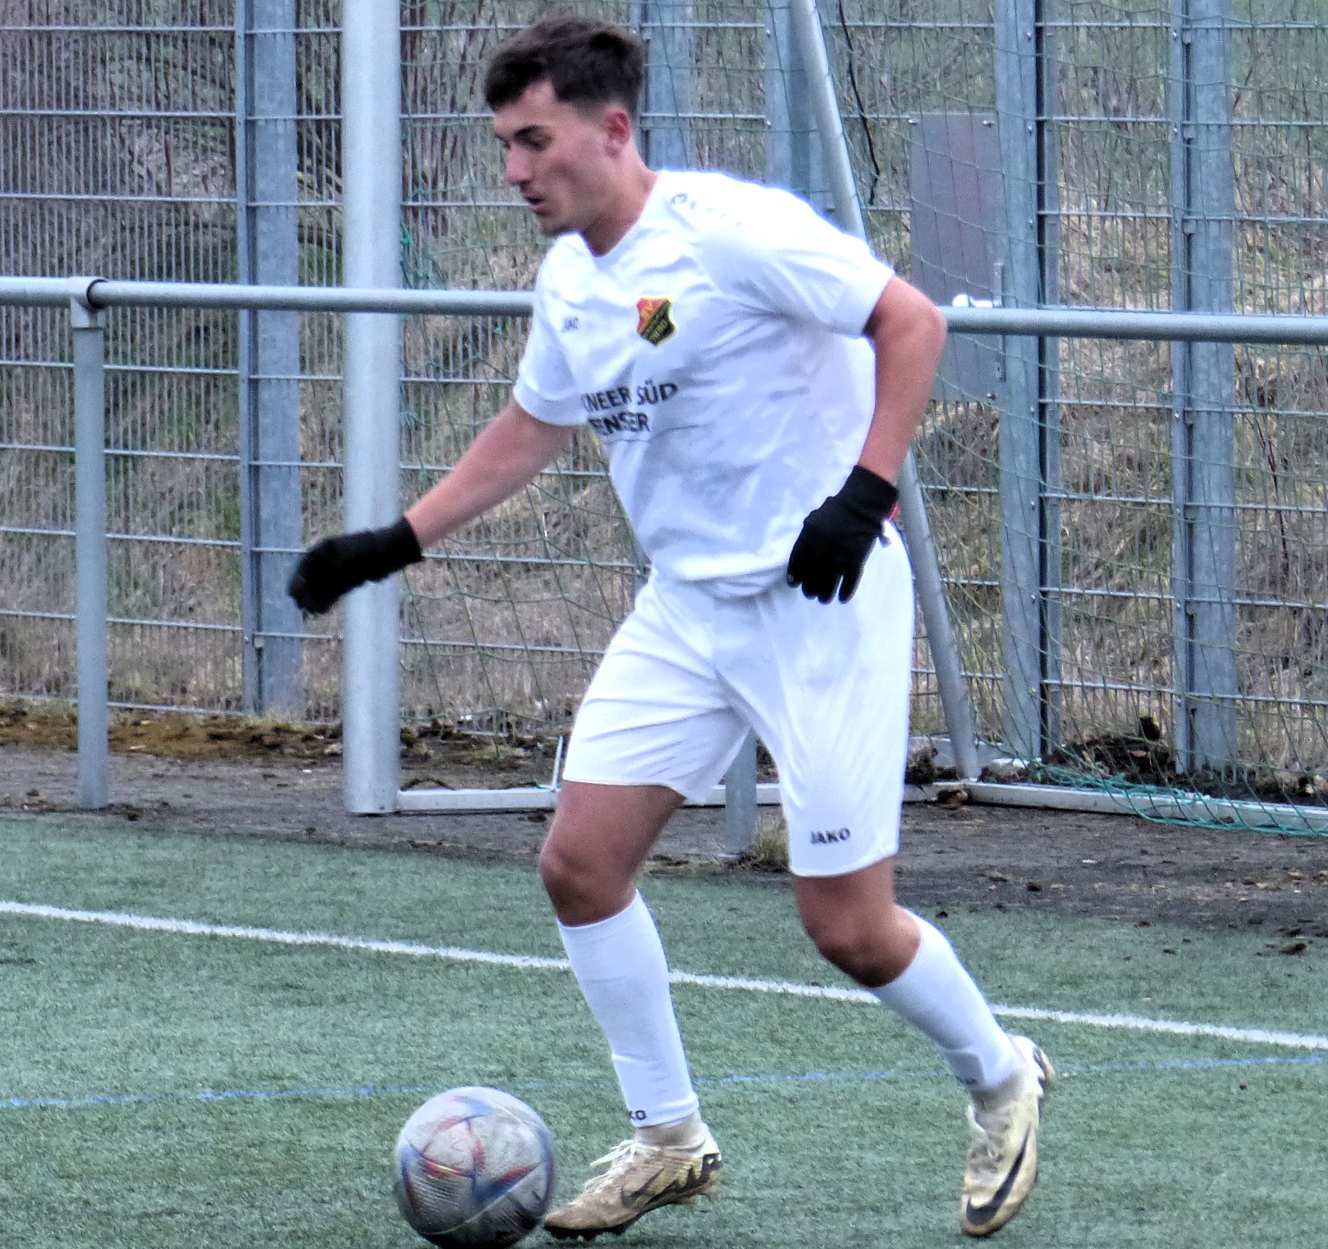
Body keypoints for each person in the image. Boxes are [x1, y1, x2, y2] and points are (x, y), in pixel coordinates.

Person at [288, 17, 1050, 1240]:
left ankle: (1002, 1074)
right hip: (686, 609)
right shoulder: (570, 278)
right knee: (579, 865)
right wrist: (395, 540)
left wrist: (865, 493)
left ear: (612, 129)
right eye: (504, 145)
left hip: (821, 603)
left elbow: (911, 321)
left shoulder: (728, 231)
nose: (515, 169)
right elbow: (534, 425)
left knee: (848, 927)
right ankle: (668, 1136)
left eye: (534, 141)